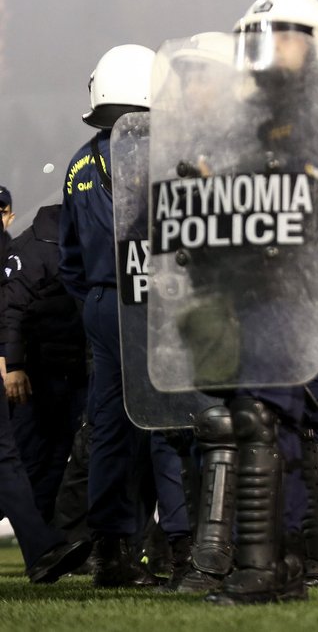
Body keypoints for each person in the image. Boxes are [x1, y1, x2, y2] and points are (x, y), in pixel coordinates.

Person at [182, 0, 318, 605]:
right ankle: (282, 564)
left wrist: (239, 196)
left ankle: (265, 567)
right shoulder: (255, 127)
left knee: (267, 421)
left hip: (296, 301)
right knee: (261, 428)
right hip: (249, 299)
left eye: (281, 37)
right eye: (255, 40)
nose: (265, 52)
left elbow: (306, 213)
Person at [58, 44, 181, 588]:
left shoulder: (79, 162)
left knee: (108, 430)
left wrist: (98, 306)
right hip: (156, 299)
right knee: (169, 425)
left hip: (103, 305)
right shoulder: (165, 152)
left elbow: (69, 259)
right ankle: (180, 546)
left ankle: (111, 550)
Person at [1, 203, 89, 522]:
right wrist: (14, 367)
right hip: (39, 373)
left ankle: (44, 546)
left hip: (75, 370)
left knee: (56, 460)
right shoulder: (31, 249)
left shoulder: (80, 241)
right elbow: (11, 311)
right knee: (28, 457)